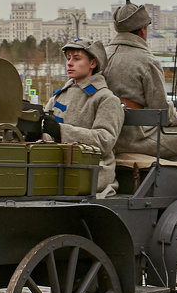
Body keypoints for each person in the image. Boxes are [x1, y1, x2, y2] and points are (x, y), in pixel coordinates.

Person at [102, 0, 177, 196]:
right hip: (134, 139)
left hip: (108, 136)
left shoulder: (101, 56)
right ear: (142, 30)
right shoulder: (146, 60)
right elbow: (161, 111)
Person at [40, 38, 124, 197]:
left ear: (93, 63)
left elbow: (105, 140)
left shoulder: (105, 99)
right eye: (68, 58)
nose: (70, 63)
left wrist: (61, 132)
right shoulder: (58, 97)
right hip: (58, 167)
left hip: (90, 173)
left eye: (77, 58)